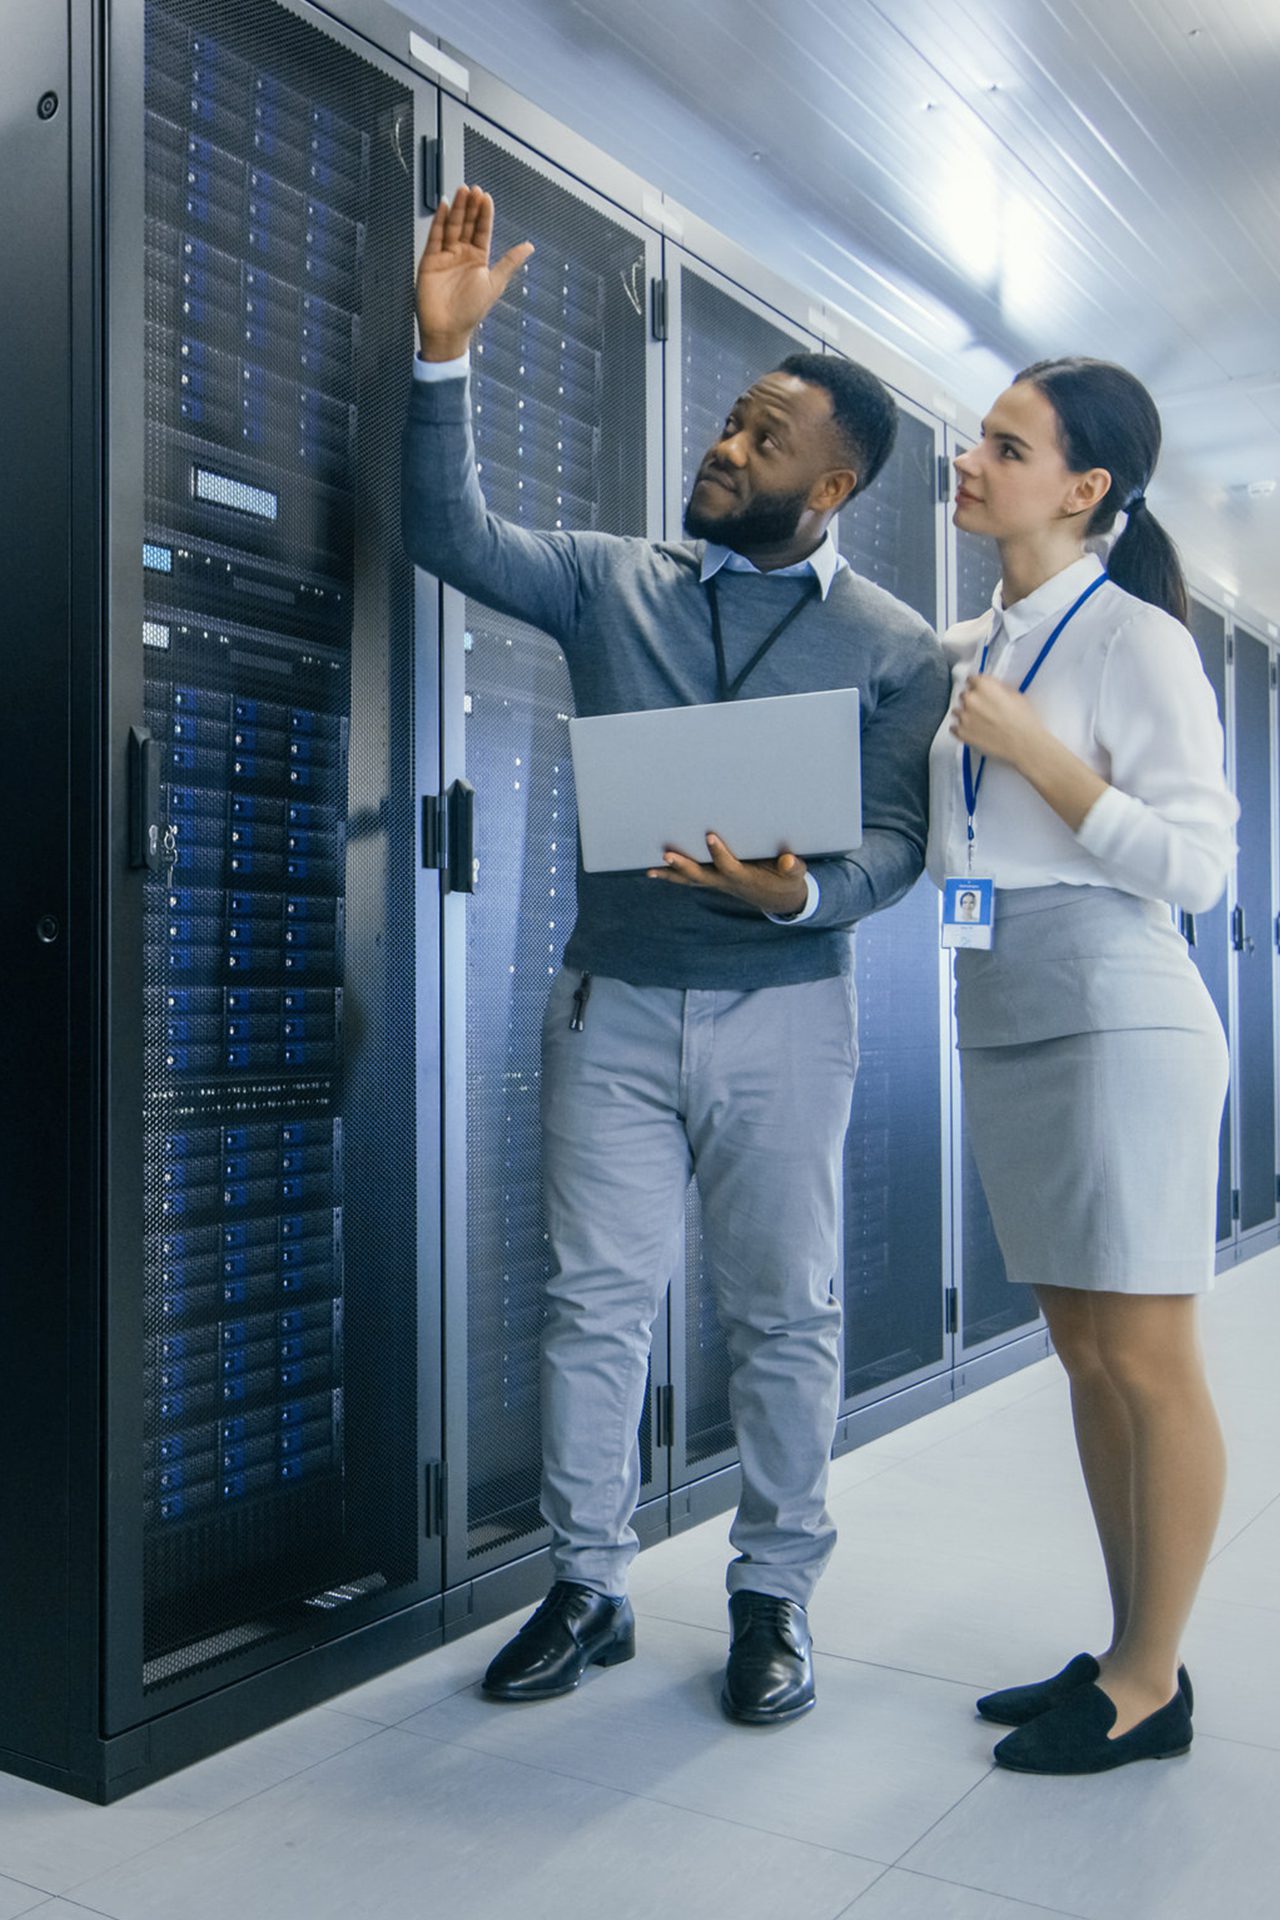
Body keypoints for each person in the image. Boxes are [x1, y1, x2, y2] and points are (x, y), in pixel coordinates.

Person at [403, 186, 949, 1724]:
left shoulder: (898, 650)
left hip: (789, 1016)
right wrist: (441, 358)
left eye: (764, 439)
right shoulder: (610, 578)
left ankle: (774, 1596)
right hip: (614, 1006)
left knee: (784, 1312)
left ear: (830, 485)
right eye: (729, 422)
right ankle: (588, 1583)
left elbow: (899, 848)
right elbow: (445, 532)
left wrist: (803, 895)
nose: (725, 445)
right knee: (597, 1303)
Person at [927, 356, 1238, 1773]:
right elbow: (965, 853)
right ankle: (1123, 1646)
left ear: (1085, 486)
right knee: (1081, 1355)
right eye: (977, 436)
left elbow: (1202, 865)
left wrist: (1049, 761)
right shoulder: (980, 641)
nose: (970, 459)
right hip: (1002, 1000)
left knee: (1146, 1358)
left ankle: (1151, 1680)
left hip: (1119, 1006)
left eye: (1005, 443)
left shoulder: (1137, 641)